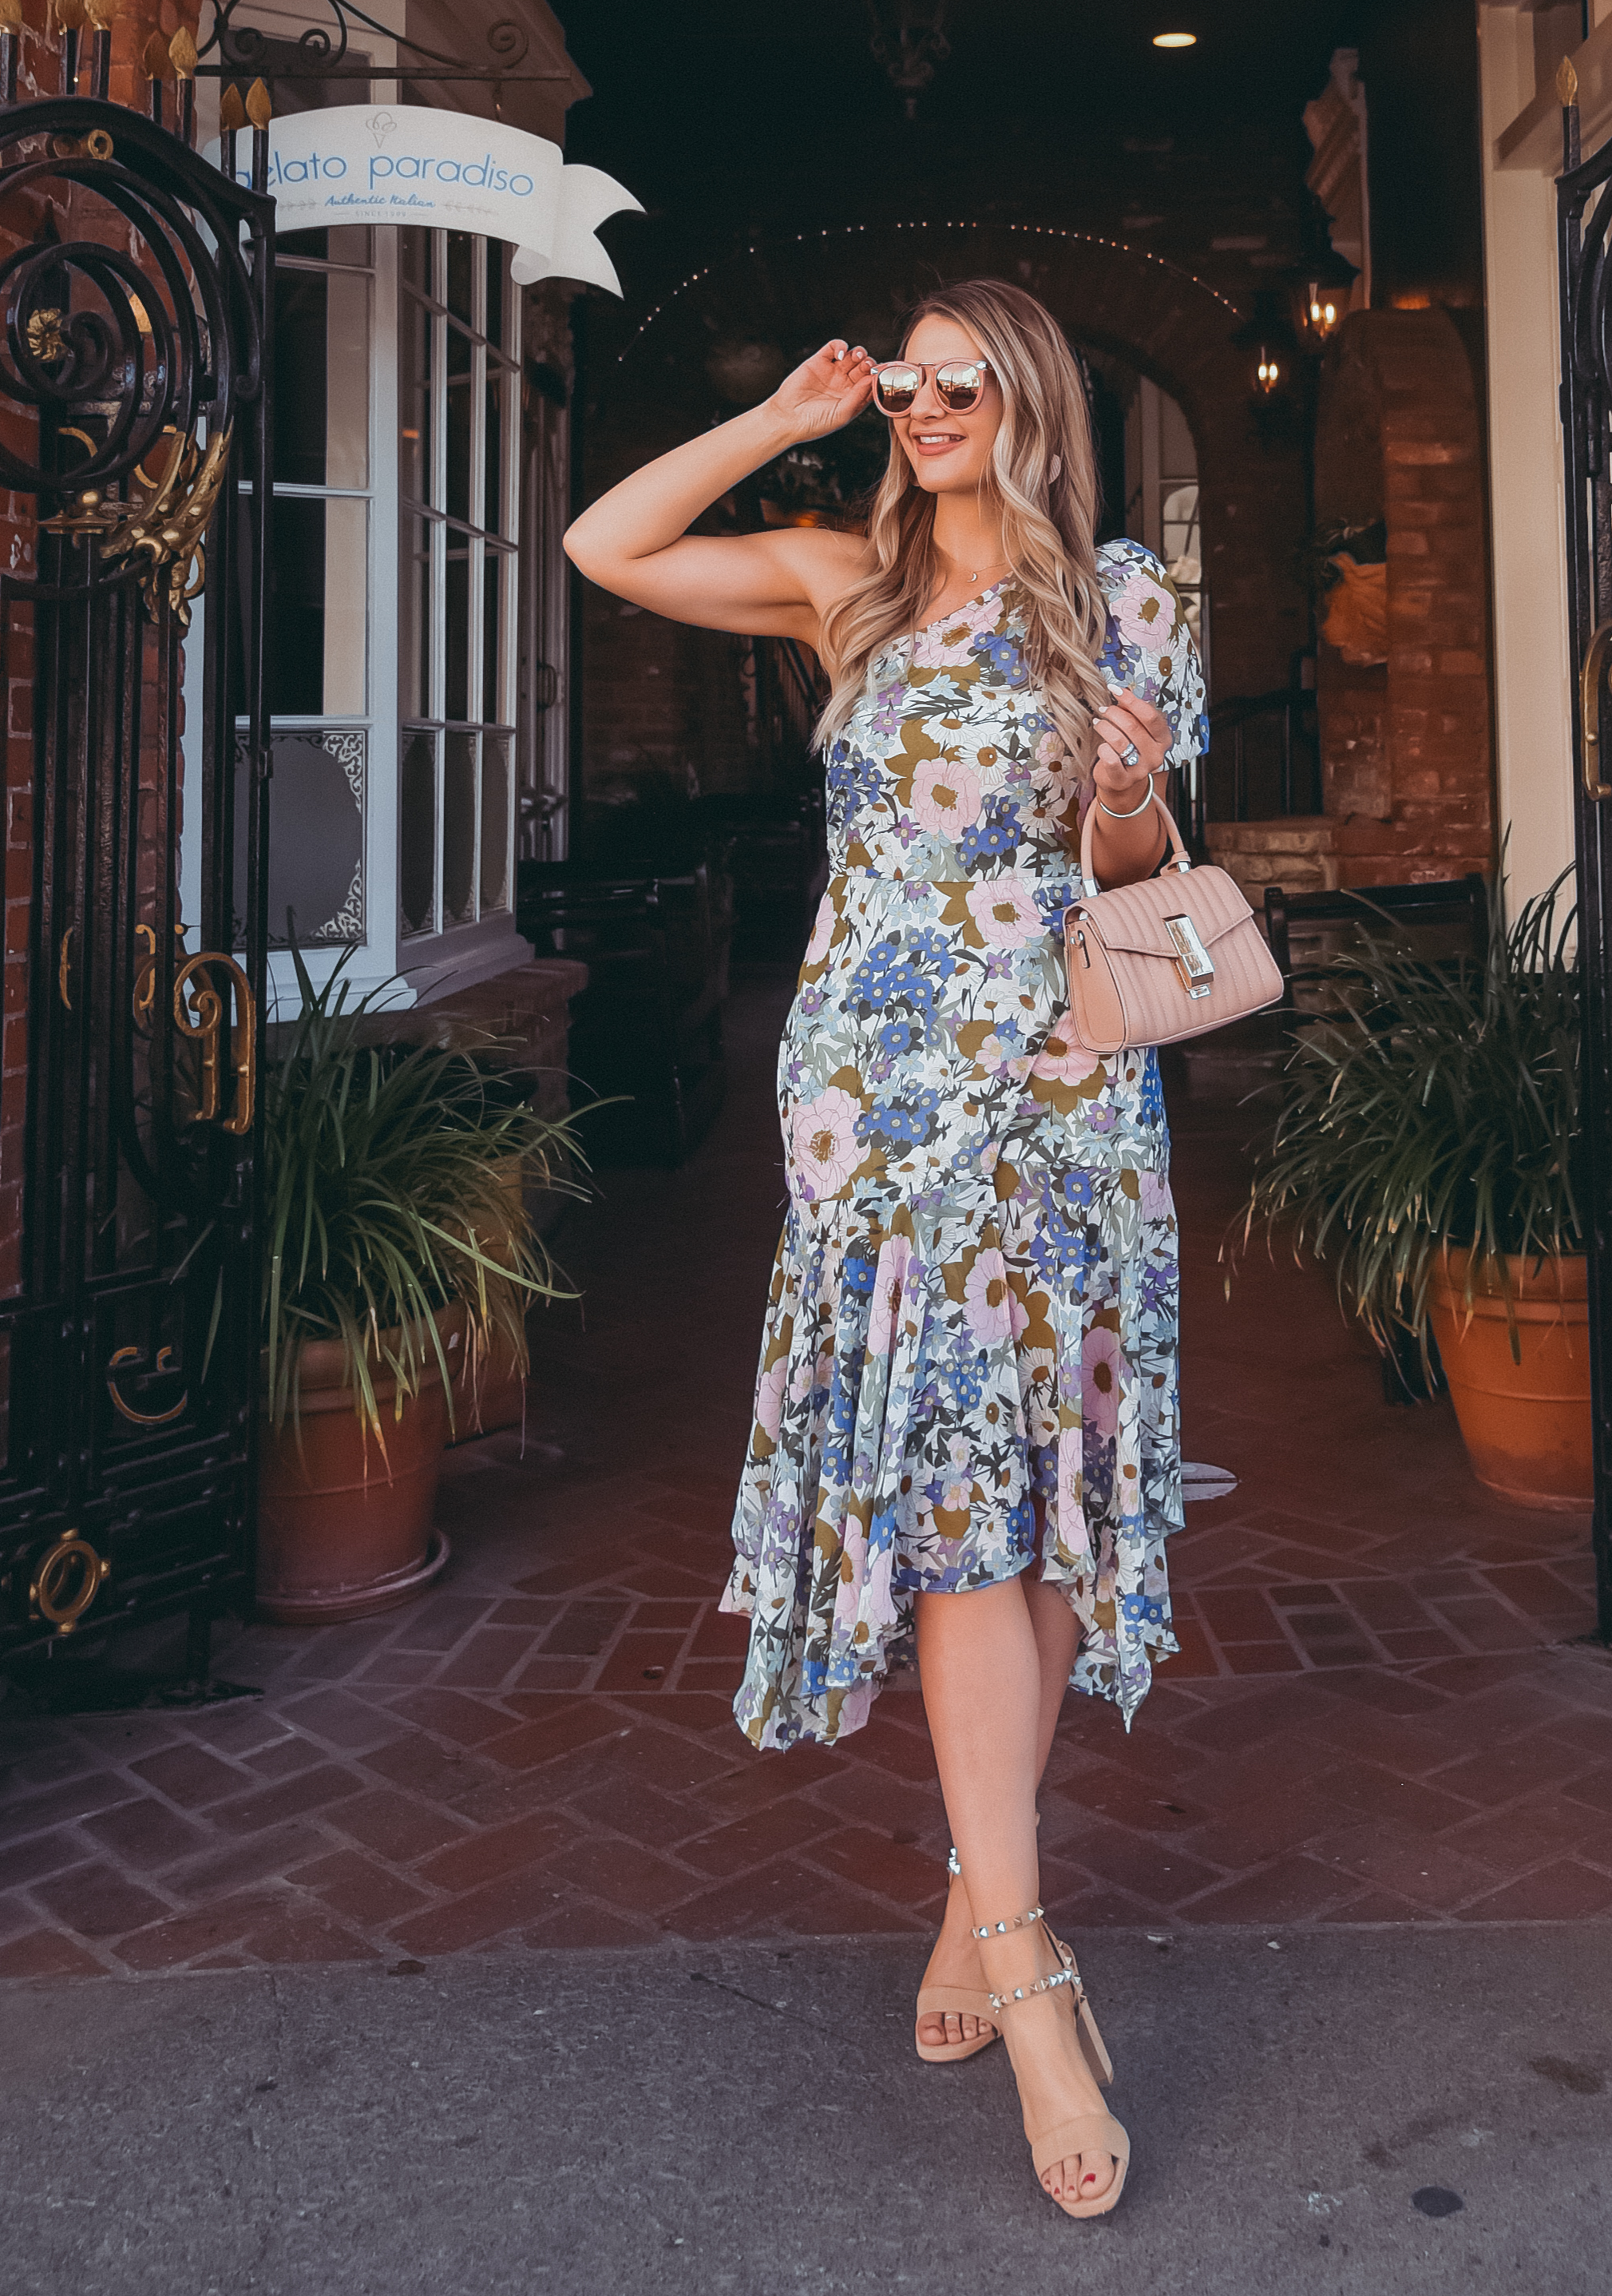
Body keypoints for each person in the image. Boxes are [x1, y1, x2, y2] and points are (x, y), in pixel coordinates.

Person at [564, 277, 1206, 2222]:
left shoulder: (1121, 598)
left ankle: (967, 1897)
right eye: (907, 383)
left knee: (1050, 1503)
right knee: (956, 1516)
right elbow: (611, 542)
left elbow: (1136, 863)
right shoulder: (846, 578)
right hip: (878, 1104)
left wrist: (1121, 784)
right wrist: (784, 413)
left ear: (1027, 394)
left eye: (958, 379)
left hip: (1072, 1088)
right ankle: (1028, 1981)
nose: (924, 405)